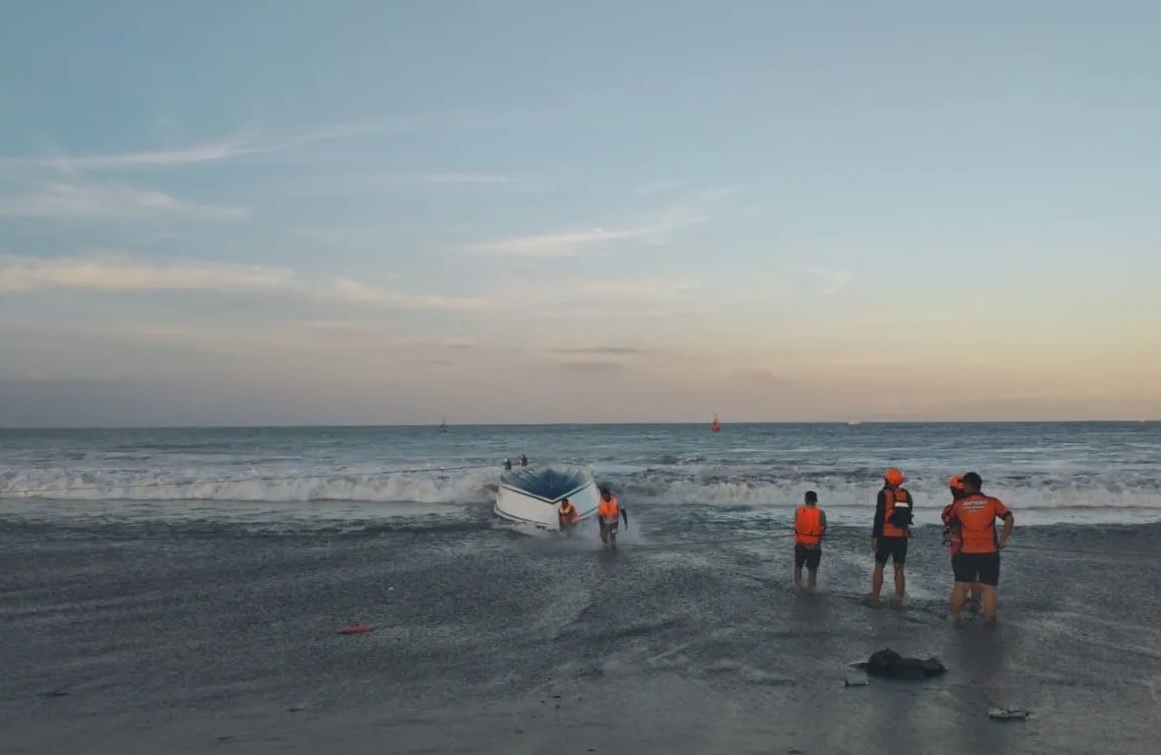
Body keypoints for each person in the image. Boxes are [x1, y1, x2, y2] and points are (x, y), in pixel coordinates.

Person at [949, 471, 1013, 624]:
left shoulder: (958, 505)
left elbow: (951, 523)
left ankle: (956, 618)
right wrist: (1003, 539)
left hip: (966, 551)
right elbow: (1009, 518)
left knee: (961, 585)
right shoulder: (992, 502)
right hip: (989, 551)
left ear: (968, 486)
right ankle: (990, 620)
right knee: (989, 587)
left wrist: (955, 536)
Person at [870, 467, 913, 607]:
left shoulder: (883, 494)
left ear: (887, 479)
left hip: (885, 535)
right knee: (899, 568)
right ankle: (899, 599)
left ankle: (875, 598)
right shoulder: (906, 494)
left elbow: (879, 516)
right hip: (901, 536)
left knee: (879, 566)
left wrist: (875, 536)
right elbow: (909, 513)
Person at [942, 475, 982, 611]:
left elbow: (947, 521)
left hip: (957, 545)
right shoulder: (976, 507)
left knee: (960, 578)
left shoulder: (950, 509)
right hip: (975, 544)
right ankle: (976, 601)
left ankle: (959, 606)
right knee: (975, 575)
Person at [793, 491, 827, 592]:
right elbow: (823, 528)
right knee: (812, 570)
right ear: (816, 500)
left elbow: (797, 524)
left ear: (805, 500)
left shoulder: (798, 511)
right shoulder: (821, 513)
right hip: (814, 546)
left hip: (800, 544)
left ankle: (797, 587)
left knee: (798, 567)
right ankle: (811, 589)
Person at [597, 486, 628, 550]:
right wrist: (601, 527)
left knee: (612, 536)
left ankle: (614, 550)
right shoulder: (601, 502)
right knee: (603, 536)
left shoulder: (616, 501)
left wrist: (626, 523)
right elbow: (600, 516)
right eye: (603, 496)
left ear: (609, 494)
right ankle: (606, 548)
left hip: (614, 522)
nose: (604, 497)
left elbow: (623, 511)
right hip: (605, 522)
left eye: (605, 496)